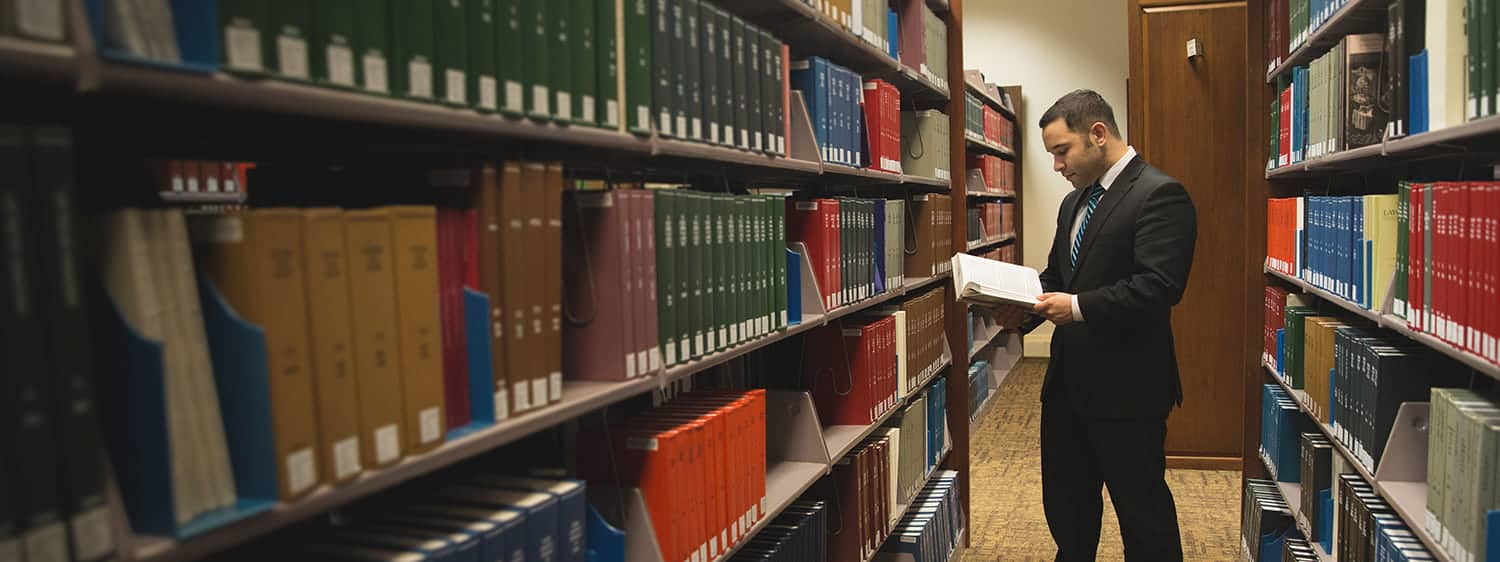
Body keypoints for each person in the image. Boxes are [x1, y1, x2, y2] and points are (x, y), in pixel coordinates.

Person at [1005, 89, 1198, 561]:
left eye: (1061, 151)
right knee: (1069, 516)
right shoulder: (1074, 204)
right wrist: (1017, 309)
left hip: (1127, 393)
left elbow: (1158, 287)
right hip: (1067, 388)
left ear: (1098, 134)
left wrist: (1076, 308)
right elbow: (1056, 277)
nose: (1057, 166)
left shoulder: (1159, 194)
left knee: (1143, 518)